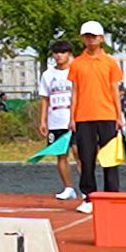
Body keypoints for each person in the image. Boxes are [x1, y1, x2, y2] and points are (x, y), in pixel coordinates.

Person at [68, 20, 125, 213]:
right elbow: (75, 91)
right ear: (82, 39)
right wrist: (72, 117)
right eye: (87, 36)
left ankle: (112, 195)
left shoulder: (110, 62)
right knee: (86, 158)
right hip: (83, 117)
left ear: (101, 38)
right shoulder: (77, 63)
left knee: (110, 158)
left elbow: (115, 89)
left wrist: (119, 115)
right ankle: (88, 196)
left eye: (94, 36)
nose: (90, 40)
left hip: (107, 115)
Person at [37, 41, 78, 201]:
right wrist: (43, 121)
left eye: (63, 52)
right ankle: (68, 187)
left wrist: (74, 117)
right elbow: (45, 99)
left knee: (79, 153)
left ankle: (87, 188)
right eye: (56, 53)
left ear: (69, 54)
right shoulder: (48, 75)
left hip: (74, 120)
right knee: (61, 155)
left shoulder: (75, 72)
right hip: (55, 120)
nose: (59, 56)